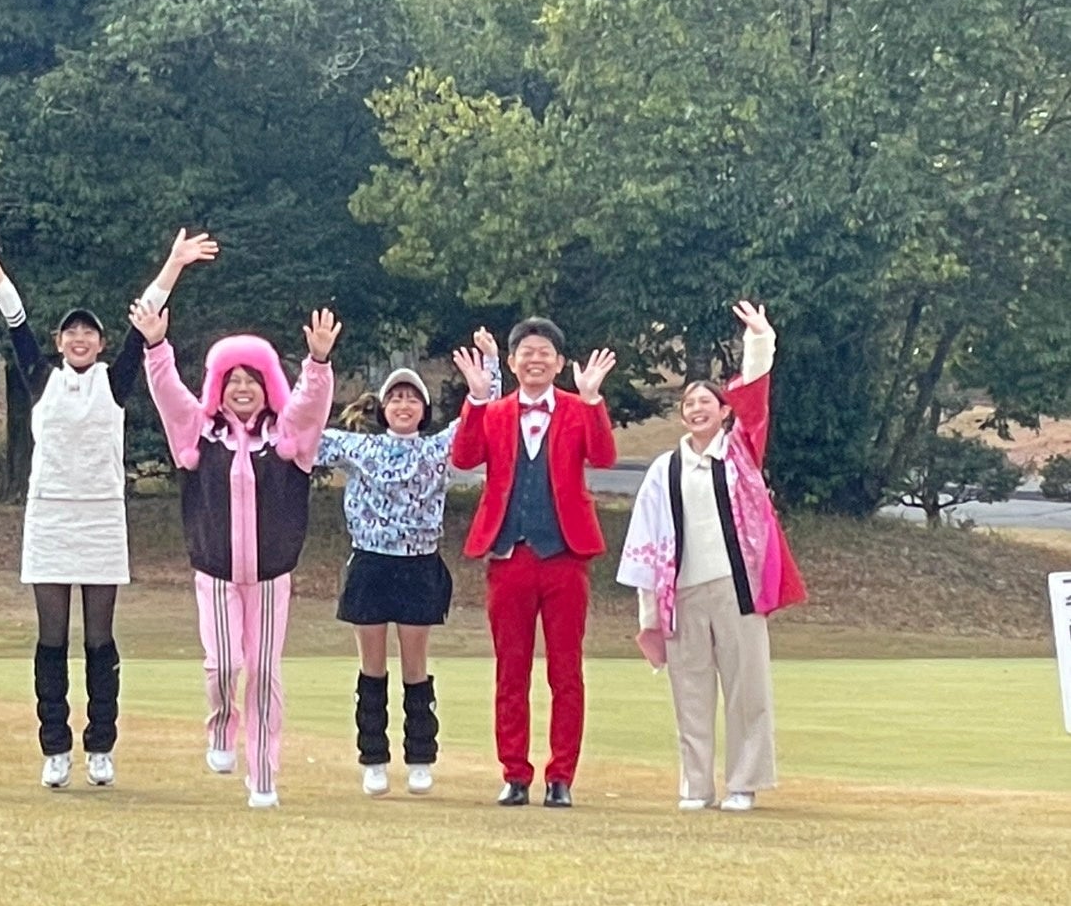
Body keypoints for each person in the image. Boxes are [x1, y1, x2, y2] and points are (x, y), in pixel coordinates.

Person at [0, 215, 217, 790]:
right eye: (71, 333)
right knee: (52, 637)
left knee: (100, 637)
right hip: (50, 516)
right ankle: (55, 748)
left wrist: (173, 264)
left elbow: (143, 321)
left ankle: (100, 746)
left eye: (89, 334)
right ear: (58, 343)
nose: (80, 339)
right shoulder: (41, 378)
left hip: (101, 516)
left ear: (99, 344)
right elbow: (13, 317)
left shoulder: (114, 380)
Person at [133, 299, 339, 808]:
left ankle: (263, 778)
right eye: (232, 379)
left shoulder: (287, 435)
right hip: (216, 574)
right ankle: (221, 728)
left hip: (271, 577)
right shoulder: (198, 431)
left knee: (264, 672)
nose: (242, 388)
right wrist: (157, 346)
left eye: (252, 379)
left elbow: (311, 404)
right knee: (224, 664)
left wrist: (317, 362)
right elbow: (168, 394)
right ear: (218, 386)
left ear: (268, 384)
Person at [616, 300, 806, 812]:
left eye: (707, 402)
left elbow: (757, 398)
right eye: (689, 404)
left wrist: (759, 340)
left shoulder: (740, 451)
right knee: (690, 692)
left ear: (724, 411)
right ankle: (695, 786)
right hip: (683, 593)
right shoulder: (664, 469)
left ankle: (743, 783)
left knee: (747, 690)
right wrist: (650, 610)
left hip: (736, 589)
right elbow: (647, 538)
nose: (697, 409)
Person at [314, 331, 501, 797]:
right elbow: (302, 433)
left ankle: (420, 757)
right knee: (372, 668)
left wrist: (490, 368)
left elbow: (483, 418)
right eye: (395, 398)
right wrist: (315, 364)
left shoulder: (437, 449)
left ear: (424, 409)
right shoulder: (360, 447)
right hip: (371, 564)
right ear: (383, 408)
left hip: (418, 565)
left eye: (412, 398)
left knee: (415, 668)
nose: (403, 405)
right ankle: (374, 759)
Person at [450, 318, 617, 808]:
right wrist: (475, 398)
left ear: (560, 362)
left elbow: (604, 456)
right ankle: (515, 774)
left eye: (545, 352)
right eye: (527, 352)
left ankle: (561, 775)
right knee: (511, 671)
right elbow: (464, 458)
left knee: (566, 672)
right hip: (509, 556)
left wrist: (593, 400)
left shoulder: (576, 408)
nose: (536, 359)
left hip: (565, 555)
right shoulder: (496, 411)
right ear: (512, 361)